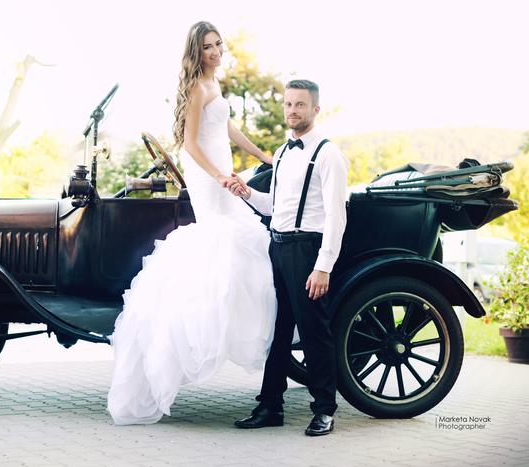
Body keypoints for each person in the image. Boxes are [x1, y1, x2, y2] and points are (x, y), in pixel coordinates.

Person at [107, 21, 277, 425]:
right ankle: (204, 323)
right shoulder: (198, 88)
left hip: (222, 168)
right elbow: (189, 143)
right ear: (196, 52)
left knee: (239, 238)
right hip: (207, 174)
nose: (216, 52)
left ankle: (235, 317)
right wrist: (219, 176)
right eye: (207, 47)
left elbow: (228, 128)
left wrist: (263, 155)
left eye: (218, 44)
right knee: (221, 238)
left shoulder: (214, 83)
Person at [228, 79, 349, 436]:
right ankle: (270, 406)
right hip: (278, 247)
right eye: (288, 104)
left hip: (306, 250)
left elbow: (336, 216)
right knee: (278, 331)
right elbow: (274, 207)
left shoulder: (328, 154)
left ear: (315, 109)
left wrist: (323, 266)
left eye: (300, 105)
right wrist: (246, 193)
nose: (292, 111)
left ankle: (325, 410)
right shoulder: (281, 152)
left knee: (314, 332)